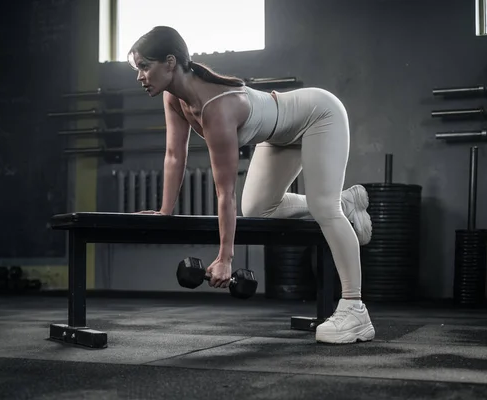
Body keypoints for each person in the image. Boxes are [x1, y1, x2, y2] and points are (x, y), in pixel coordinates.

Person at [129, 26, 375, 344]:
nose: (140, 76)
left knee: (322, 208)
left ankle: (355, 308)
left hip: (318, 115)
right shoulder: (174, 98)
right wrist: (164, 211)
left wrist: (225, 257)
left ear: (170, 62)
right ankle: (344, 203)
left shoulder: (216, 107)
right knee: (258, 208)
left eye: (144, 66)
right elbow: (175, 156)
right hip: (278, 136)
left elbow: (224, 191)